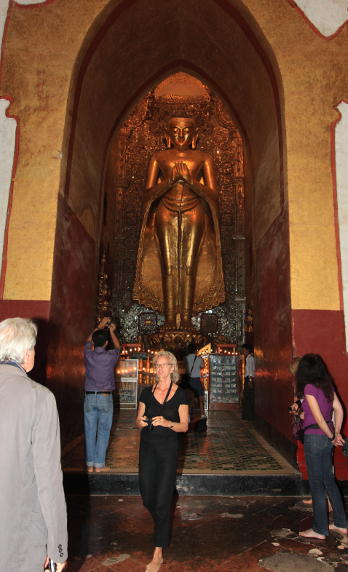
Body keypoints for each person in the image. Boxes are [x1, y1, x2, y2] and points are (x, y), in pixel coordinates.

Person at [133, 116, 224, 329]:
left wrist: (191, 181)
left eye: (185, 131)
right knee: (169, 265)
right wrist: (168, 182)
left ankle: (186, 319)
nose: (181, 135)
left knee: (190, 264)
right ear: (168, 135)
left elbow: (214, 196)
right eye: (175, 131)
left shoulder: (203, 158)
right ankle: (170, 318)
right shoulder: (159, 157)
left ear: (195, 136)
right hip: (165, 210)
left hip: (195, 211)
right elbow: (147, 195)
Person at [0, 317, 67, 571]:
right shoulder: (39, 397)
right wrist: (58, 546)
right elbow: (48, 480)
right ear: (28, 353)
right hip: (18, 535)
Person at [136, 350, 189, 572]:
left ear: (172, 368)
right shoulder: (146, 392)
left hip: (168, 449)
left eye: (163, 365)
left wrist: (167, 422)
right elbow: (138, 421)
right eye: (156, 365)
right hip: (147, 447)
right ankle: (161, 518)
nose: (158, 369)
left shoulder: (181, 394)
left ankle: (158, 552)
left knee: (162, 501)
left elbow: (184, 426)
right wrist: (145, 421)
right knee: (147, 494)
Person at [296, 353, 348, 539]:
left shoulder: (309, 387)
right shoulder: (327, 386)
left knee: (317, 484)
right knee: (329, 480)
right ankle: (341, 523)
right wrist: (337, 433)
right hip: (327, 437)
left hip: (315, 437)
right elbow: (340, 409)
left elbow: (317, 418)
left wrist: (333, 436)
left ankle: (319, 529)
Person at [84, 316, 121, 472]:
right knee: (104, 430)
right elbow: (119, 348)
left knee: (89, 430)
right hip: (105, 397)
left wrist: (99, 326)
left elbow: (87, 342)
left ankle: (89, 465)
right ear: (107, 343)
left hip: (89, 396)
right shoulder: (110, 356)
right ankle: (99, 465)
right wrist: (112, 331)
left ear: (94, 343)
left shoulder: (88, 355)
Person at [184, 342, 205, 418]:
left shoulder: (185, 358)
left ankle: (188, 414)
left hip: (188, 380)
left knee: (189, 398)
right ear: (195, 350)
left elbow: (185, 368)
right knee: (201, 397)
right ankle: (202, 413)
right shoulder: (199, 359)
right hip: (196, 379)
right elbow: (203, 366)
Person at [241, 343, 255, 420]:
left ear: (247, 350)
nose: (243, 351)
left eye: (244, 350)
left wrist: (250, 380)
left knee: (248, 397)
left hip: (249, 379)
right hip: (249, 378)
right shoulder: (250, 358)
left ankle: (249, 415)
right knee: (248, 397)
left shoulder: (249, 358)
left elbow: (250, 370)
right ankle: (248, 415)